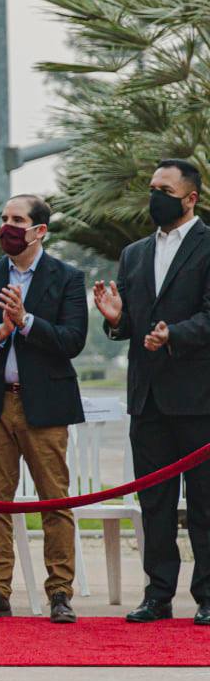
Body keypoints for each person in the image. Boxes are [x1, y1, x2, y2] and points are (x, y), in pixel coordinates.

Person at [0, 194, 87, 625]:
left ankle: (60, 593)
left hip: (45, 405)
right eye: (4, 219)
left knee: (55, 501)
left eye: (17, 220)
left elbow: (72, 340)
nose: (7, 227)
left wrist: (26, 322)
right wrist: (0, 329)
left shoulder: (66, 277)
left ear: (39, 230)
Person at [93, 159, 210, 626]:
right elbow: (129, 323)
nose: (154, 195)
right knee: (155, 504)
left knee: (205, 503)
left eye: (165, 188)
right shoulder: (135, 253)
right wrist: (117, 317)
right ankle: (157, 594)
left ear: (190, 198)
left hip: (198, 397)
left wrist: (175, 334)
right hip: (148, 400)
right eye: (151, 187)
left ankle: (207, 595)